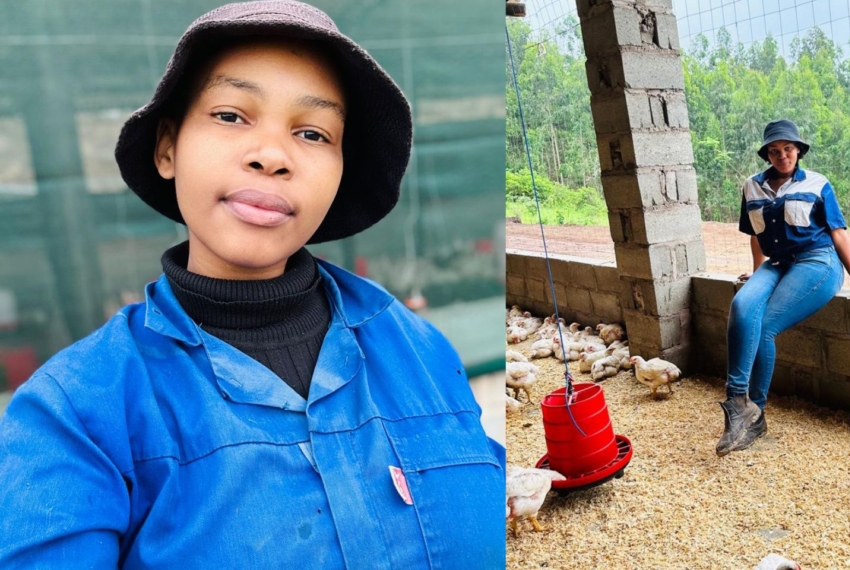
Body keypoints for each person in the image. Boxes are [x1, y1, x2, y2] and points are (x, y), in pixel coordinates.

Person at [0, 2, 505, 567]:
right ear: (168, 147)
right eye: (231, 115)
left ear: (339, 172)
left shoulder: (419, 348)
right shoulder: (76, 411)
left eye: (313, 132)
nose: (271, 156)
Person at [715, 119, 850, 457]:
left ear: (798, 151)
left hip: (818, 262)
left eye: (788, 149)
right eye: (775, 151)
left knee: (766, 325)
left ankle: (755, 413)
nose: (782, 155)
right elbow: (757, 234)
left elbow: (837, 231)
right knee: (743, 306)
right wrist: (757, 274)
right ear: (767, 154)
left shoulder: (817, 183)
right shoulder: (751, 187)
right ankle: (736, 401)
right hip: (777, 263)